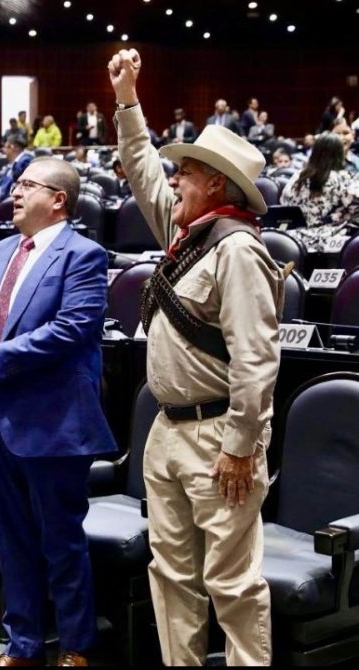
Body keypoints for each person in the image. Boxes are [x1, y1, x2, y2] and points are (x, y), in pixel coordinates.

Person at [109, 48, 283, 666]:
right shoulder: (187, 235)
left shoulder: (237, 250)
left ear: (215, 184)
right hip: (168, 428)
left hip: (219, 438)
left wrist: (240, 445)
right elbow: (141, 170)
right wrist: (127, 100)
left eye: (184, 171)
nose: (173, 179)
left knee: (232, 584)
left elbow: (257, 360)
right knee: (172, 577)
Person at [0, 157, 117, 667]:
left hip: (55, 423)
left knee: (60, 542)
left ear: (58, 200)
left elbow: (72, 328)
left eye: (27, 185)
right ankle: (22, 645)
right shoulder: (1, 250)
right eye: (16, 184)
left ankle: (75, 646)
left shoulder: (83, 255)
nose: (15, 192)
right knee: (13, 540)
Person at [280, 132, 359, 229]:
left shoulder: (298, 175)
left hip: (291, 235)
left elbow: (283, 202)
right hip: (328, 235)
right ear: (339, 154)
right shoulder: (342, 178)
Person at [0, 134, 33, 203]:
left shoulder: (25, 161)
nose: (3, 150)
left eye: (5, 147)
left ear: (13, 147)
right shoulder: (14, 163)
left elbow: (17, 182)